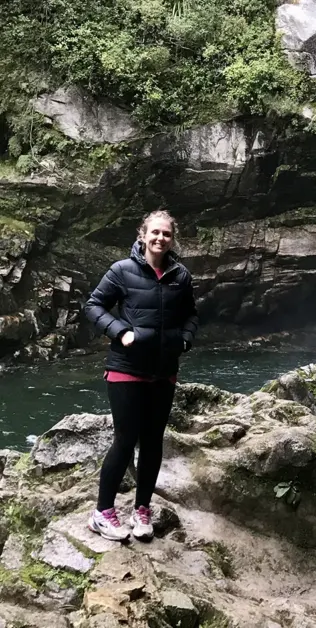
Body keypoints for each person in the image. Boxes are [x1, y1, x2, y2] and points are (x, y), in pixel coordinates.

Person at [84, 209, 198, 541]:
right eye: (155, 232)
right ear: (142, 235)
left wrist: (186, 339)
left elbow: (191, 314)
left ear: (172, 238)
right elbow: (93, 305)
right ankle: (102, 513)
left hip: (164, 372)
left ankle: (141, 509)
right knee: (125, 439)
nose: (160, 238)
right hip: (126, 369)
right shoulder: (122, 270)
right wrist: (121, 332)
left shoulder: (181, 276)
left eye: (167, 234)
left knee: (152, 442)